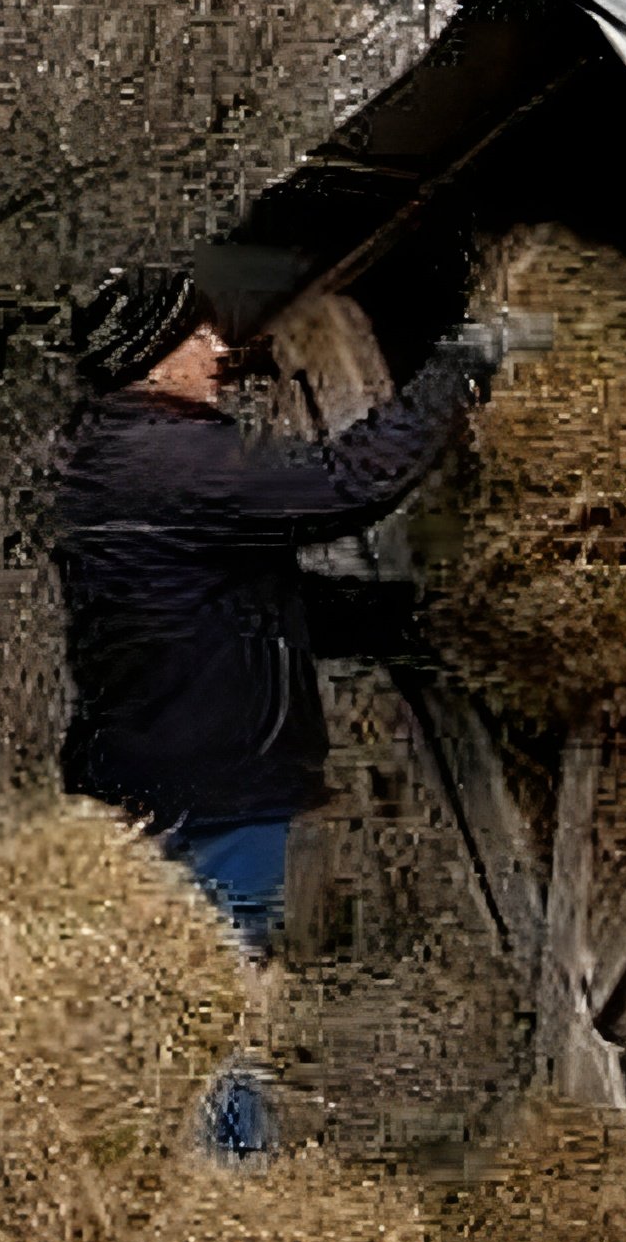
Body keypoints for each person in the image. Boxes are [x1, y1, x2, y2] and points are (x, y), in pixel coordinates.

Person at [56, 266, 506, 960]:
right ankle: (229, 1077)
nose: (215, 347)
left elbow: (226, 605)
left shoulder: (109, 458)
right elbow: (351, 482)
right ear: (150, 357)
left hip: (154, 767)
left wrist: (420, 619)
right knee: (218, 984)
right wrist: (457, 368)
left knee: (175, 979)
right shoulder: (171, 460)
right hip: (207, 784)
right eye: (196, 333)